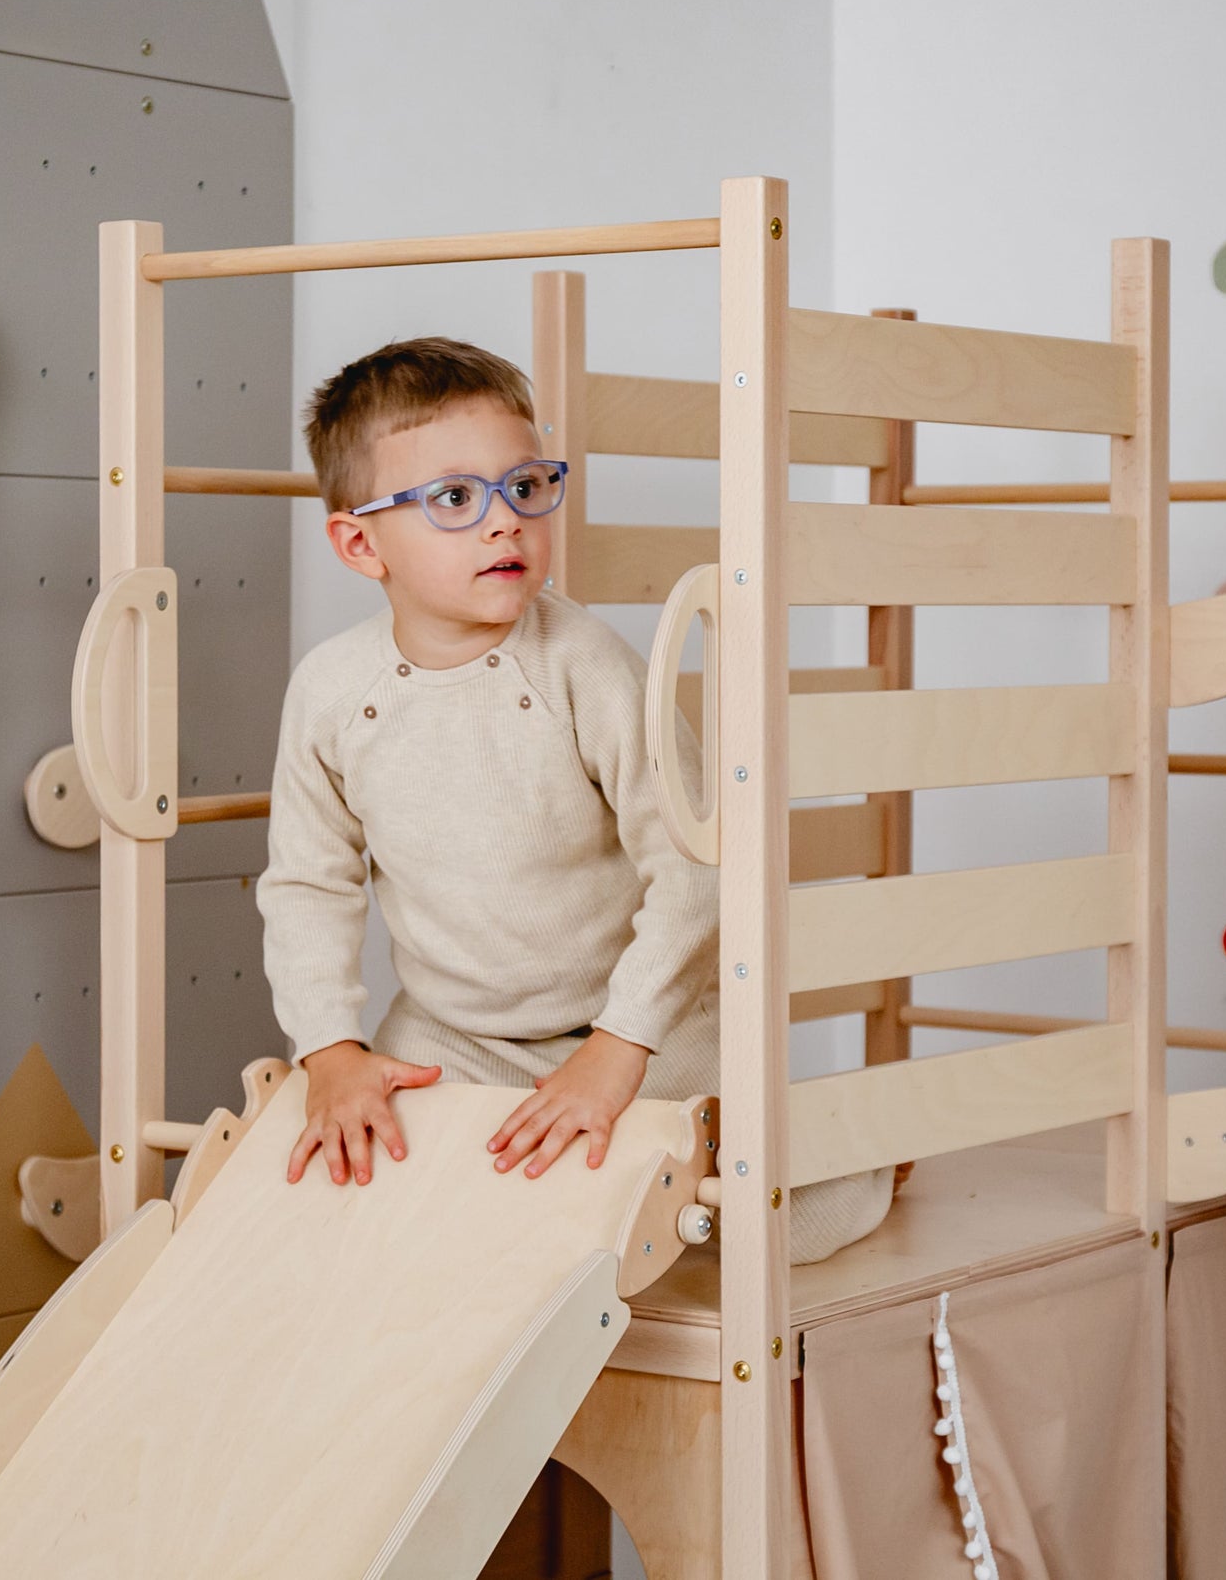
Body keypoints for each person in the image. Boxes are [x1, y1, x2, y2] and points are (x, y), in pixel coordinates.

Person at [257, 336, 893, 1262]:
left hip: (641, 1023)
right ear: (361, 543)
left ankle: (873, 1166)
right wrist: (330, 1051)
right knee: (377, 1193)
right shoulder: (329, 691)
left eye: (524, 487)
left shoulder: (584, 665)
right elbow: (308, 886)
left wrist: (618, 1048)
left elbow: (694, 866)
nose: (504, 523)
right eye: (454, 499)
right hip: (454, 1034)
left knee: (764, 1223)